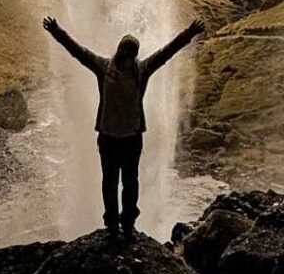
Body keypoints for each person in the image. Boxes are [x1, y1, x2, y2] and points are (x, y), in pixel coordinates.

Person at [44, 15, 204, 234]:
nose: (127, 56)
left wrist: (189, 34)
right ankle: (111, 223)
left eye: (131, 52)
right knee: (110, 183)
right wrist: (57, 32)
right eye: (125, 50)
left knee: (130, 183)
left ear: (135, 55)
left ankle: (127, 223)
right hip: (109, 137)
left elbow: (166, 52)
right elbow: (78, 52)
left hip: (130, 138)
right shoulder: (103, 67)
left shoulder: (142, 70)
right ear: (119, 49)